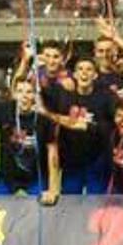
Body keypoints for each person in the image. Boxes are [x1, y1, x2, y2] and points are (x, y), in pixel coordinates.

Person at [43, 57, 117, 196]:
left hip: (97, 160)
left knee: (97, 204)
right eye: (80, 69)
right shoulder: (63, 95)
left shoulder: (105, 97)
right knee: (70, 204)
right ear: (75, 74)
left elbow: (111, 126)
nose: (84, 73)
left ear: (95, 75)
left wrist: (85, 126)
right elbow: (40, 93)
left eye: (89, 69)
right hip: (71, 161)